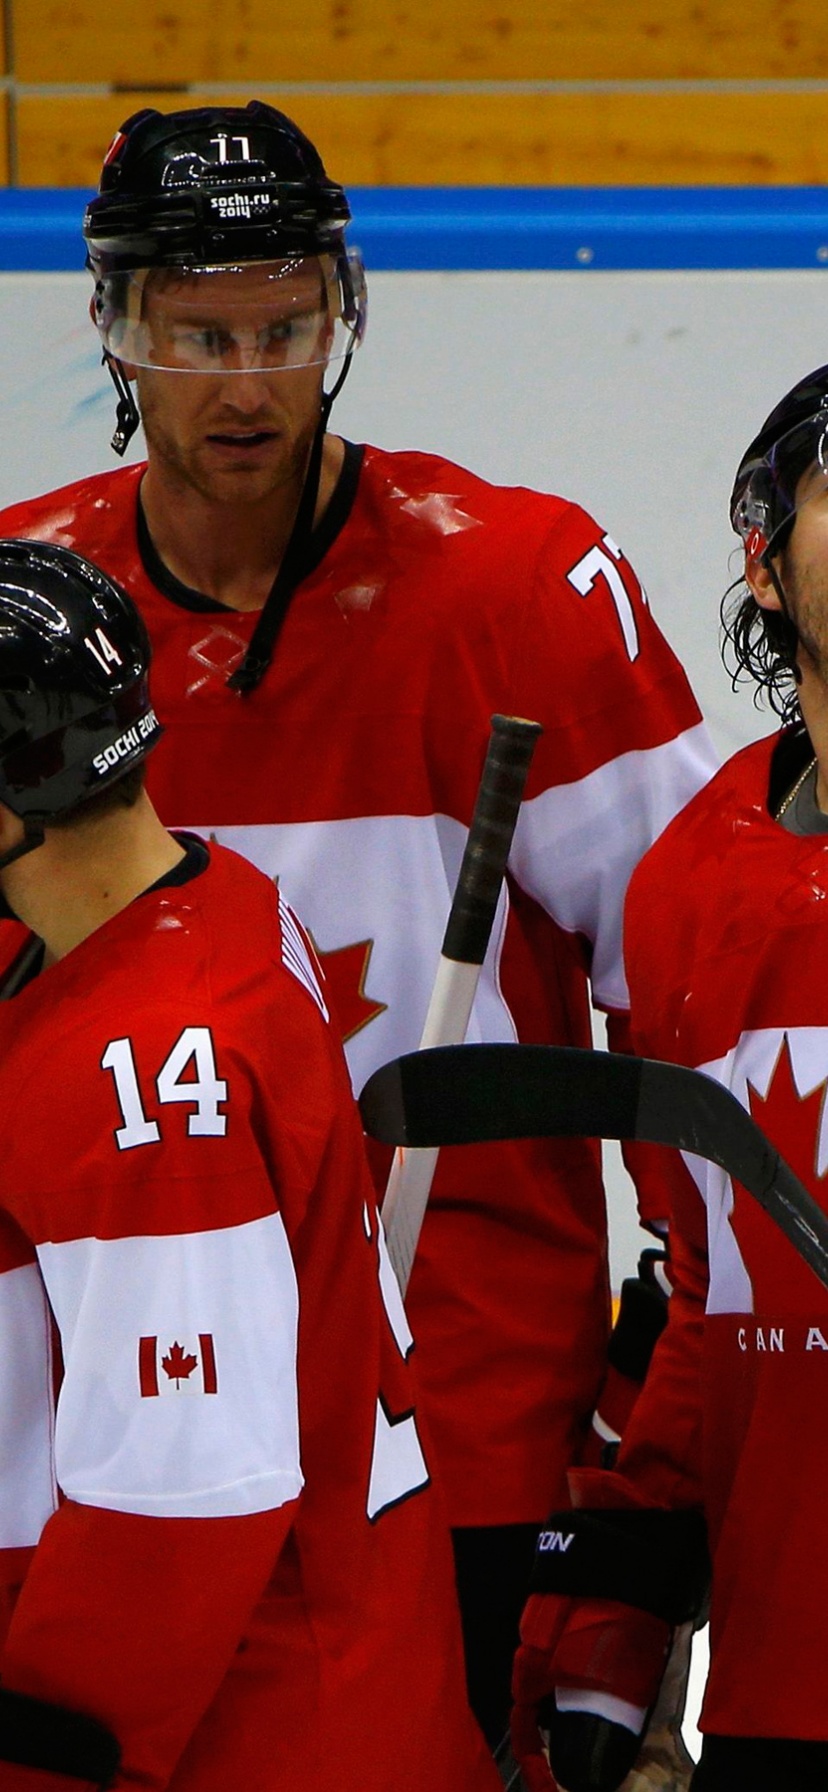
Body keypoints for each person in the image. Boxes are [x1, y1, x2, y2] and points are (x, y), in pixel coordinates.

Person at [0, 101, 718, 1747]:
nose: (245, 384)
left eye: (283, 328)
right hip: (103, 1450)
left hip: (464, 1435)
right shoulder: (29, 615)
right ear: (114, 326)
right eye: (195, 337)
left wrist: (646, 1434)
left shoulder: (519, 589)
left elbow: (708, 999)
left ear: (344, 315)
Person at [0, 538, 498, 1792]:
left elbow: (183, 1501)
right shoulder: (211, 900)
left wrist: (41, 1761)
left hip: (264, 1738)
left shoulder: (152, 1077)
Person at [509, 364, 828, 1792]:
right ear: (763, 558)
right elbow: (713, 1293)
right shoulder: (698, 875)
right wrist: (620, 1624)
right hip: (786, 1687)